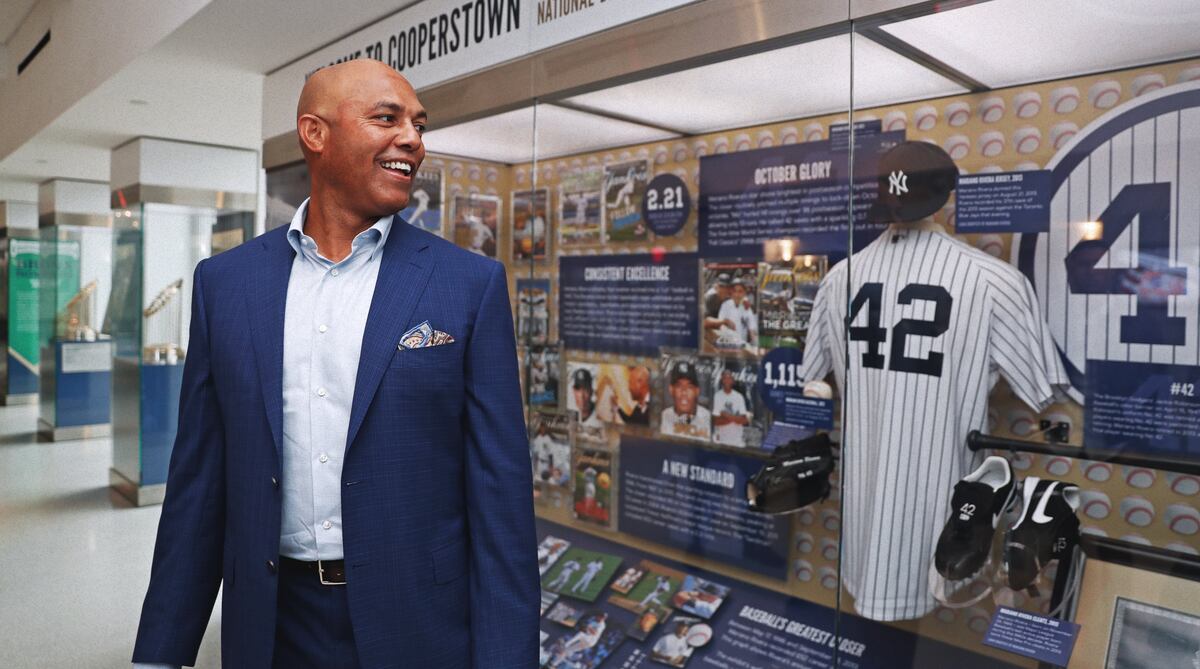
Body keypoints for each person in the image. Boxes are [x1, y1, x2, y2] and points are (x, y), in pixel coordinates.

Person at [131, 60, 538, 669]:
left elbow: (501, 498)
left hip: (420, 627)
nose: (412, 140)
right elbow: (199, 487)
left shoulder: (467, 284)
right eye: (386, 118)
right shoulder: (226, 285)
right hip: (271, 628)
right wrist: (159, 653)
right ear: (314, 134)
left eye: (418, 125)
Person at [661, 361, 711, 440]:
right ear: (671, 390)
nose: (684, 392)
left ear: (697, 391)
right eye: (679, 386)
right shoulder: (662, 418)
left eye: (690, 386)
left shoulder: (708, 419)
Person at [712, 369, 750, 446]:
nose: (727, 381)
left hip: (737, 441)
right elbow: (716, 421)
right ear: (722, 380)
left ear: (732, 381)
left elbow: (744, 420)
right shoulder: (717, 396)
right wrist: (736, 418)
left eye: (729, 378)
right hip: (722, 441)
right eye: (725, 378)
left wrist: (726, 415)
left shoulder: (739, 397)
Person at [716, 277, 757, 348]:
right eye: (734, 291)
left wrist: (755, 344)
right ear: (731, 292)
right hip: (727, 345)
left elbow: (752, 329)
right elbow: (721, 325)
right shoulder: (725, 305)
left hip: (742, 346)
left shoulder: (747, 308)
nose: (737, 294)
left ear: (744, 293)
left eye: (740, 291)